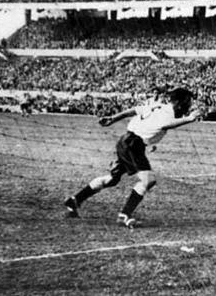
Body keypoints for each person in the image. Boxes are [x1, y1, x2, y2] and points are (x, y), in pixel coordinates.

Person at [64, 87, 201, 228]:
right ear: (179, 102)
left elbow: (135, 110)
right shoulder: (168, 113)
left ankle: (75, 200)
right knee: (148, 180)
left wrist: (113, 118)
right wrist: (189, 119)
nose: (189, 106)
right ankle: (124, 215)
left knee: (113, 179)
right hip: (133, 144)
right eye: (188, 103)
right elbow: (166, 124)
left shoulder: (156, 105)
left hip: (127, 141)